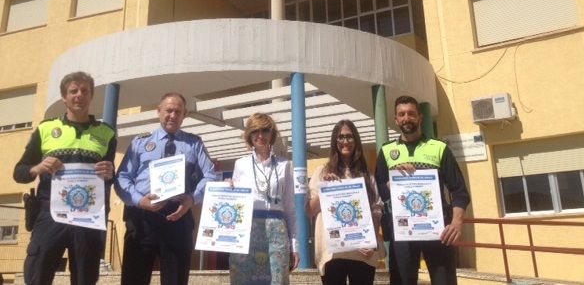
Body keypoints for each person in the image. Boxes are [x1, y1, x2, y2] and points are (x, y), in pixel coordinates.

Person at [13, 71, 116, 285]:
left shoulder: (107, 133)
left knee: (85, 279)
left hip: (88, 218)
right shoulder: (46, 129)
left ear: (91, 95)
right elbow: (19, 173)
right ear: (64, 97)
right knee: (37, 277)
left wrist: (110, 173)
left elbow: (107, 178)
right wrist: (38, 167)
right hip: (49, 215)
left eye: (85, 91)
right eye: (73, 91)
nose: (79, 95)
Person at [115, 92, 216, 285]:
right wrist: (139, 200)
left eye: (178, 112)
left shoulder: (194, 144)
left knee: (175, 280)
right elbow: (122, 177)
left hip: (178, 217)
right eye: (169, 110)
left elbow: (210, 176)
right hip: (142, 218)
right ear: (158, 111)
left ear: (184, 114)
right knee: (134, 279)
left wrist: (192, 199)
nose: (173, 115)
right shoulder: (140, 142)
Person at [375, 95, 471, 285]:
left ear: (420, 117)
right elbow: (377, 188)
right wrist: (390, 184)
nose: (406, 118)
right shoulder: (386, 151)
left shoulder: (439, 148)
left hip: (437, 230)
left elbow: (459, 190)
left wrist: (456, 222)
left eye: (411, 114)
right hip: (402, 231)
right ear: (396, 120)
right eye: (401, 114)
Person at [306, 119, 384, 285]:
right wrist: (326, 187)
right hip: (333, 253)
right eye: (340, 137)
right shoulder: (322, 172)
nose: (345, 141)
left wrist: (371, 242)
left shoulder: (366, 174)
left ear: (356, 140)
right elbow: (310, 210)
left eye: (349, 136)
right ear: (335, 142)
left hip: (362, 252)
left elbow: (376, 209)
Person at [229, 113, 299, 285]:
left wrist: (295, 245)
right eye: (255, 131)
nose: (260, 135)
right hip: (247, 232)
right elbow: (235, 204)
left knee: (277, 280)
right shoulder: (240, 164)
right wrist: (227, 188)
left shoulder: (285, 165)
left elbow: (290, 209)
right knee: (244, 279)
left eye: (265, 130)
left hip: (277, 232)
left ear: (272, 134)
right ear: (249, 135)